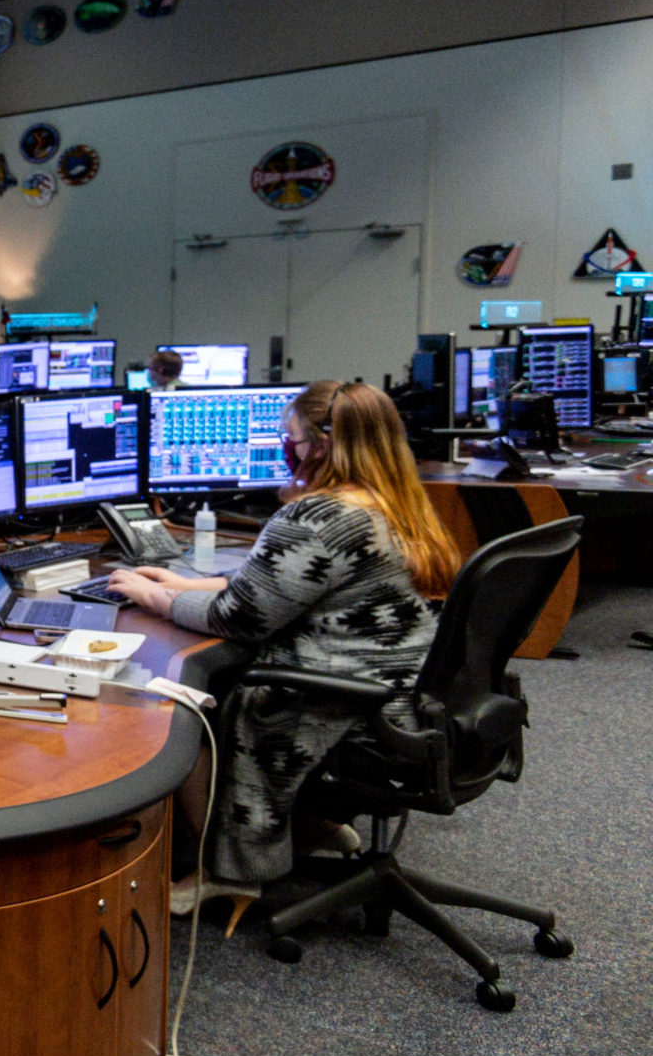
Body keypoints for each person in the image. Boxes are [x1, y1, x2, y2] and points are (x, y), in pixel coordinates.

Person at [107, 381, 461, 917]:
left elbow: (240, 617)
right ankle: (300, 825)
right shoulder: (395, 500)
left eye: (288, 437)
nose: (283, 446)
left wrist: (154, 597)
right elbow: (274, 587)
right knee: (216, 676)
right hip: (406, 691)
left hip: (349, 703)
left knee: (181, 704)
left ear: (320, 445)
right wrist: (179, 585)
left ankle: (228, 870)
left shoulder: (318, 518)